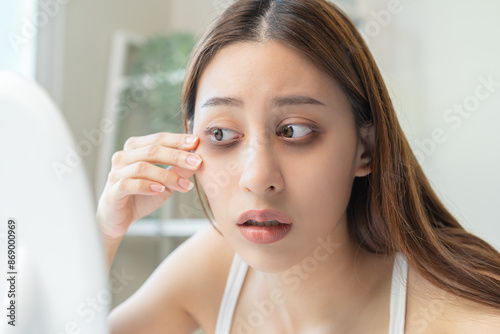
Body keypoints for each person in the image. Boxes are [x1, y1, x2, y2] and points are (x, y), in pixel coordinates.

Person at [96, 0, 500, 333]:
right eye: (221, 135)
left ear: (366, 149)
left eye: (294, 131)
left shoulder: (462, 319)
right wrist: (102, 234)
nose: (257, 178)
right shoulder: (212, 266)